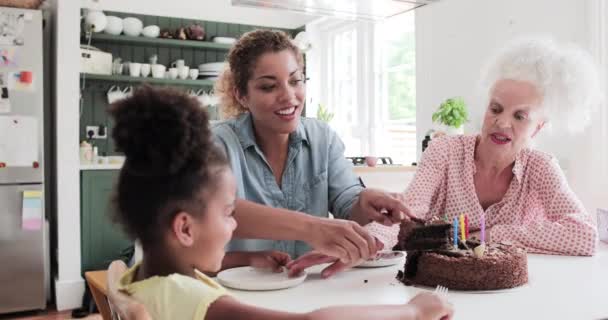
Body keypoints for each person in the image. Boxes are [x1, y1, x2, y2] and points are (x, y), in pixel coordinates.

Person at [108, 86, 453, 320]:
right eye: (229, 213)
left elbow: (201, 268)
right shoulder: (185, 296)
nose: (235, 223)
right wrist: (414, 311)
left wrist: (246, 258)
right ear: (184, 227)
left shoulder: (148, 278)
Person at [288, 37, 602, 275]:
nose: (502, 122)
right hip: (439, 291)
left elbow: (584, 235)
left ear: (537, 128)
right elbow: (408, 213)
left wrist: (491, 233)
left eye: (520, 116)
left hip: (514, 292)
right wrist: (359, 246)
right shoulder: (446, 151)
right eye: (495, 109)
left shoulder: (541, 167)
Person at [212, 29, 408, 277]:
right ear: (241, 95)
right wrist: (311, 228)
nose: (288, 96)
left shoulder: (322, 138)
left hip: (309, 289)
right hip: (238, 293)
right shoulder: (217, 143)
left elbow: (348, 203)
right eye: (268, 86)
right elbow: (213, 210)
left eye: (295, 81)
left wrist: (365, 201)